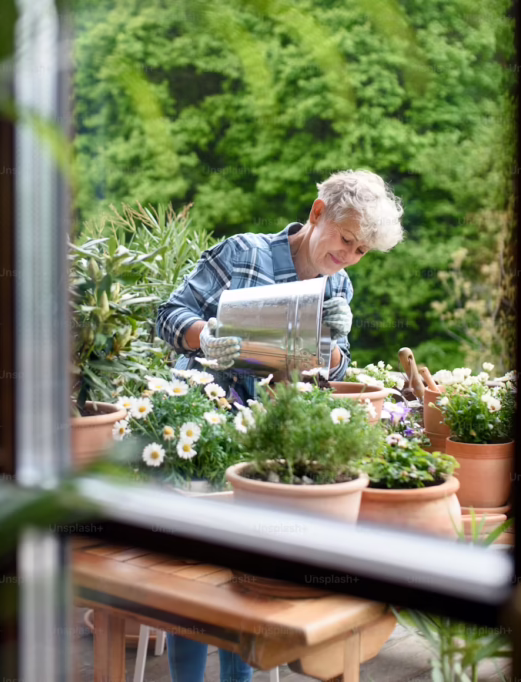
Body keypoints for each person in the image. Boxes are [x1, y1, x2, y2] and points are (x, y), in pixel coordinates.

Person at [154, 169, 405, 682]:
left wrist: (335, 346)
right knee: (194, 577)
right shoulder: (243, 253)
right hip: (203, 430)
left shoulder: (339, 282)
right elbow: (167, 315)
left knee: (248, 577)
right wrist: (205, 338)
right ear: (318, 214)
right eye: (345, 239)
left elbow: (330, 368)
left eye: (360, 251)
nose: (348, 255)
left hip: (271, 438)